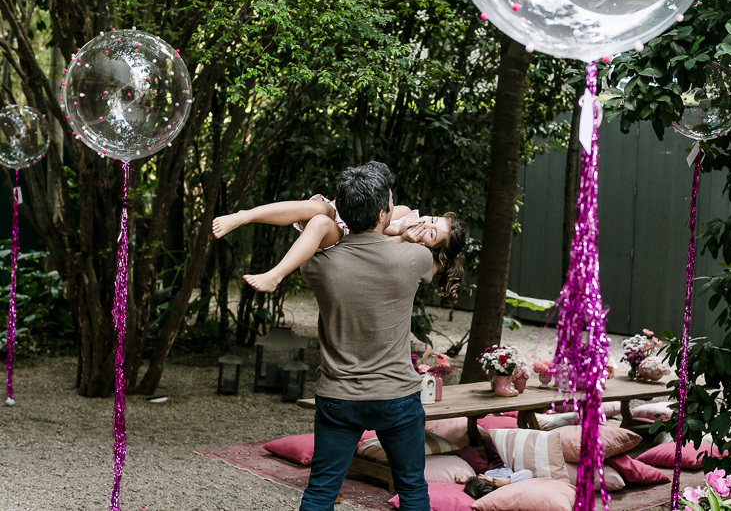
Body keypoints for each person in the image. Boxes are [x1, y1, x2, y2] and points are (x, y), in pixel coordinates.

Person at [296, 162, 448, 510]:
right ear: (384, 212)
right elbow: (435, 262)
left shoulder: (317, 264)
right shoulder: (414, 258)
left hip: (339, 397)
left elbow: (317, 239)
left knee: (321, 491)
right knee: (412, 489)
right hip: (396, 396)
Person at [212, 161, 465, 299]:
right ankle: (244, 216)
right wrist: (399, 228)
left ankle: (275, 275)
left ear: (429, 246)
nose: (425, 225)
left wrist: (402, 238)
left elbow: (372, 245)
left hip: (344, 239)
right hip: (349, 217)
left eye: (432, 233)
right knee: (320, 208)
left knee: (321, 222)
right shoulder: (404, 213)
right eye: (432, 219)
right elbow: (380, 224)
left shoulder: (417, 254)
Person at [454, 468, 533, 499]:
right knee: (489, 443)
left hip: (487, 469)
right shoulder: (505, 485)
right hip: (500, 466)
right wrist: (507, 481)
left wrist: (467, 478)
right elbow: (528, 473)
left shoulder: (481, 478)